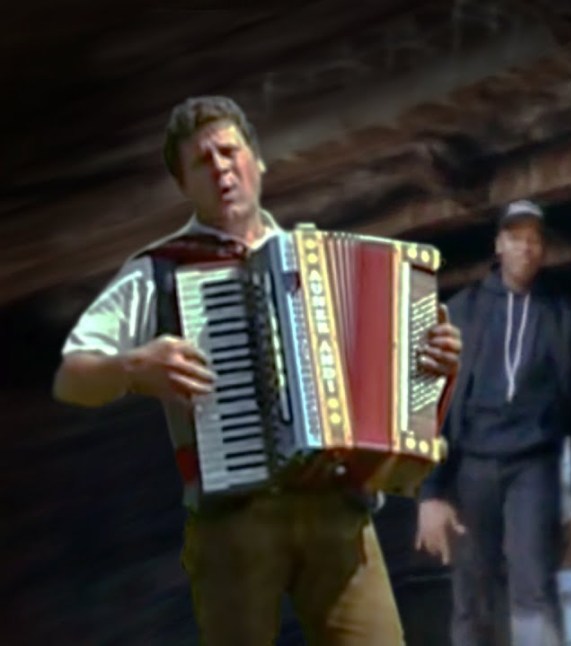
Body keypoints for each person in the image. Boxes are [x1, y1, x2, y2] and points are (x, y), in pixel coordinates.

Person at [52, 96, 463, 645]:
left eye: (230, 152)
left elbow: (402, 395)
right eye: (203, 162)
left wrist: (433, 363)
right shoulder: (161, 271)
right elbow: (71, 378)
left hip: (339, 512)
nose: (221, 169)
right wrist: (131, 367)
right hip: (234, 521)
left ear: (258, 160)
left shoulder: (322, 257)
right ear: (184, 184)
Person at [414, 200, 571, 646]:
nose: (526, 248)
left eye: (535, 240)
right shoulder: (460, 312)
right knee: (471, 596)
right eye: (516, 238)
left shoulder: (566, 318)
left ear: (544, 250)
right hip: (471, 468)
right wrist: (430, 493)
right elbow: (432, 403)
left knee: (534, 591)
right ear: (499, 245)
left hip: (533, 469)